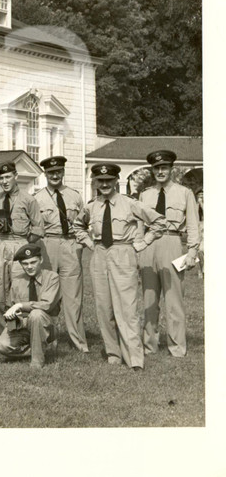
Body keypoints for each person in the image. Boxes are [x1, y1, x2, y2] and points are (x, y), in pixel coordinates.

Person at [84, 163, 167, 370]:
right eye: (100, 181)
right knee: (104, 307)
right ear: (95, 182)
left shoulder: (130, 204)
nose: (104, 184)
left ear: (116, 182)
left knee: (127, 309)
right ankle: (113, 353)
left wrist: (144, 242)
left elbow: (159, 222)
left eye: (109, 180)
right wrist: (89, 243)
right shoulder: (91, 206)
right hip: (100, 255)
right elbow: (78, 226)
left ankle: (134, 359)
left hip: (123, 254)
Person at [137, 149, 200, 358]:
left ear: (171, 169)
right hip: (149, 245)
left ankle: (177, 347)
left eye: (164, 167)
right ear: (152, 170)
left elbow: (192, 224)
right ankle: (150, 345)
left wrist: (192, 251)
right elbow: (139, 227)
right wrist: (138, 252)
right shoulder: (145, 195)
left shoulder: (184, 193)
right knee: (149, 299)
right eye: (156, 168)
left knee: (174, 300)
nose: (160, 171)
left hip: (173, 242)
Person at [34, 156, 90, 353]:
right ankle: (49, 339)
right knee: (48, 293)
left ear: (63, 172)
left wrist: (80, 244)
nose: (55, 175)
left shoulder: (74, 196)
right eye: (51, 173)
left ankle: (79, 343)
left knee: (73, 296)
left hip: (70, 245)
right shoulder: (37, 198)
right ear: (45, 174)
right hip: (47, 244)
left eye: (58, 172)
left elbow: (84, 222)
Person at [0, 162, 43, 328]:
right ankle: (1, 332)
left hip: (20, 245)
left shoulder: (28, 199)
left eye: (7, 177)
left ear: (16, 176)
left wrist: (24, 246)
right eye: (1, 178)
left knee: (18, 289)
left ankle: (22, 330)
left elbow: (38, 228)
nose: (4, 181)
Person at [0, 242, 59, 368]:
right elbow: (11, 309)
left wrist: (21, 305)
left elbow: (47, 305)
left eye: (33, 262)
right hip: (23, 327)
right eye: (25, 264)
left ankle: (36, 362)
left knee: (36, 314)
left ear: (41, 260)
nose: (29, 267)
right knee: (1, 346)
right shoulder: (17, 282)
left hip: (47, 325)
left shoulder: (52, 278)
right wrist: (15, 319)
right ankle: (41, 348)